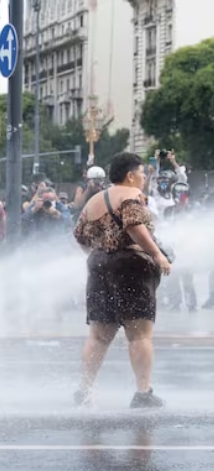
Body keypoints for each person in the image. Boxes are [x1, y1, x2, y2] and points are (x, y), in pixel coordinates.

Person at [73, 152, 171, 408]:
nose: (143, 179)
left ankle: (83, 391)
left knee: (99, 335)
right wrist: (157, 255)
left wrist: (101, 256)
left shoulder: (93, 200)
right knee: (139, 335)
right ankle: (143, 394)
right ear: (130, 175)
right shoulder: (131, 196)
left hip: (98, 265)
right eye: (141, 173)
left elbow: (80, 235)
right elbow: (134, 226)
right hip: (131, 266)